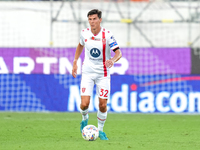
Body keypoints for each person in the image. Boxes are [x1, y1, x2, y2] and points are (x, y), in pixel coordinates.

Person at [72, 9, 122, 140]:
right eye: (90, 19)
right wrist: (75, 61)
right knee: (84, 104)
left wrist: (112, 60)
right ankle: (84, 118)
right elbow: (80, 45)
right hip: (87, 72)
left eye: (94, 19)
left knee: (102, 105)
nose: (92, 22)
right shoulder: (84, 33)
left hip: (103, 74)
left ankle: (100, 131)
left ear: (100, 20)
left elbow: (118, 53)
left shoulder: (107, 35)